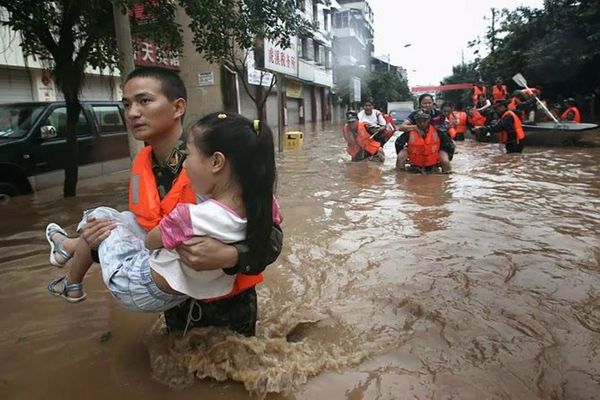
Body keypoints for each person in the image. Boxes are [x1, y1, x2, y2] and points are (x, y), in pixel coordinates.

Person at [48, 67, 283, 336]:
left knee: (234, 369)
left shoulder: (214, 161)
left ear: (177, 107)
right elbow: (143, 239)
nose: (133, 112)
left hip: (228, 306)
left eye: (144, 101)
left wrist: (231, 256)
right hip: (171, 299)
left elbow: (271, 234)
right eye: (126, 104)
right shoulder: (142, 165)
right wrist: (93, 242)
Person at [397, 93, 454, 163]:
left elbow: (448, 126)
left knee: (445, 160)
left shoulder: (440, 114)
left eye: (429, 103)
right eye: (424, 103)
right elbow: (401, 127)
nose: (427, 105)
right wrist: (415, 127)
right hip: (417, 143)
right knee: (400, 157)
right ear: (420, 104)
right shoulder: (414, 114)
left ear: (433, 103)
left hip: (435, 143)